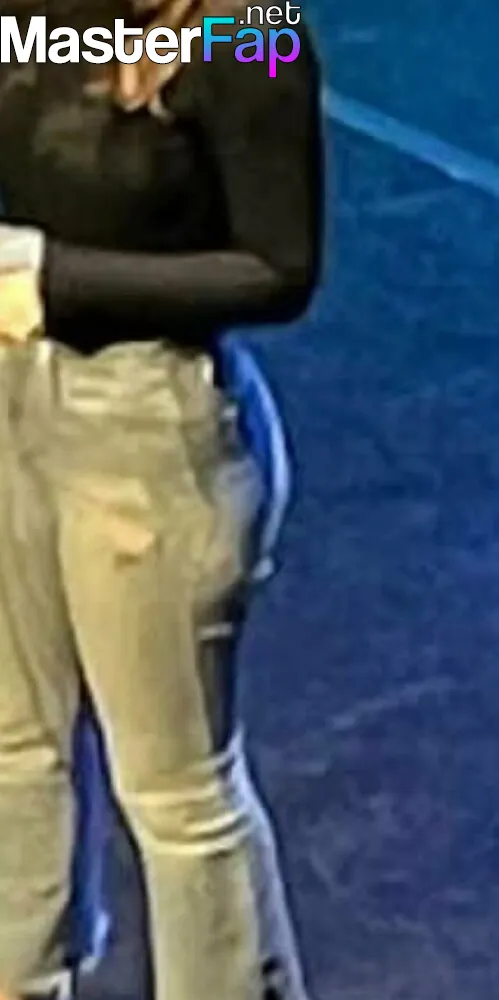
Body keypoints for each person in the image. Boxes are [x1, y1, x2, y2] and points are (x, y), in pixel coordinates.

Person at [0, 0, 324, 998]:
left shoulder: (244, 31)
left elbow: (279, 270)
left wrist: (55, 282)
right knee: (13, 745)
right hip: (10, 408)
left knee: (175, 790)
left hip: (145, 435)